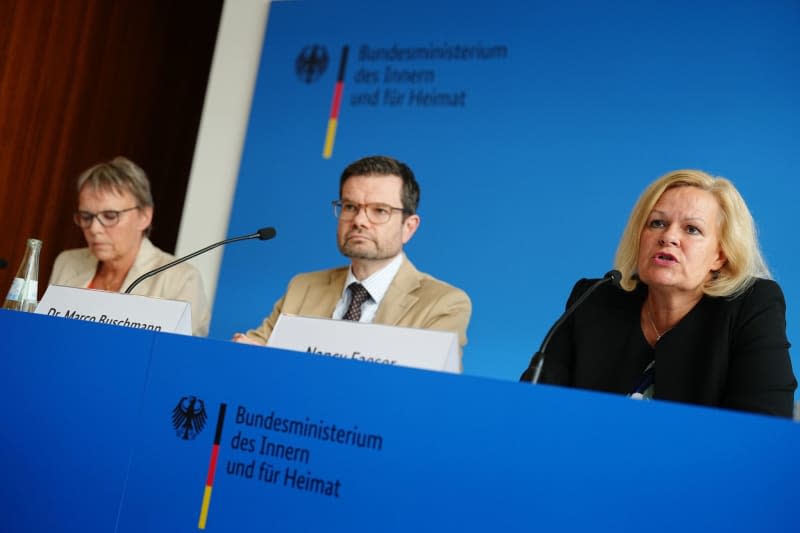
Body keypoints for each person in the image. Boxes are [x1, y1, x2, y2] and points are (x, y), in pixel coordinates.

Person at [521, 169, 796, 417]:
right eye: (657, 223)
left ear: (720, 256)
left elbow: (764, 424)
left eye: (692, 229)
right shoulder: (594, 298)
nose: (668, 237)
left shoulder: (751, 305)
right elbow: (533, 407)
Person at [234, 155, 471, 366]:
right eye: (350, 207)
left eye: (379, 210)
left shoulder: (443, 304)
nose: (359, 220)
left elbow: (424, 394)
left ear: (409, 227)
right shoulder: (303, 287)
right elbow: (254, 348)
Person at [49, 156, 210, 336]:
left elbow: (178, 358)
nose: (94, 229)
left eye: (110, 216)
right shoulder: (67, 262)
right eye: (86, 217)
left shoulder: (181, 279)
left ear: (144, 217)